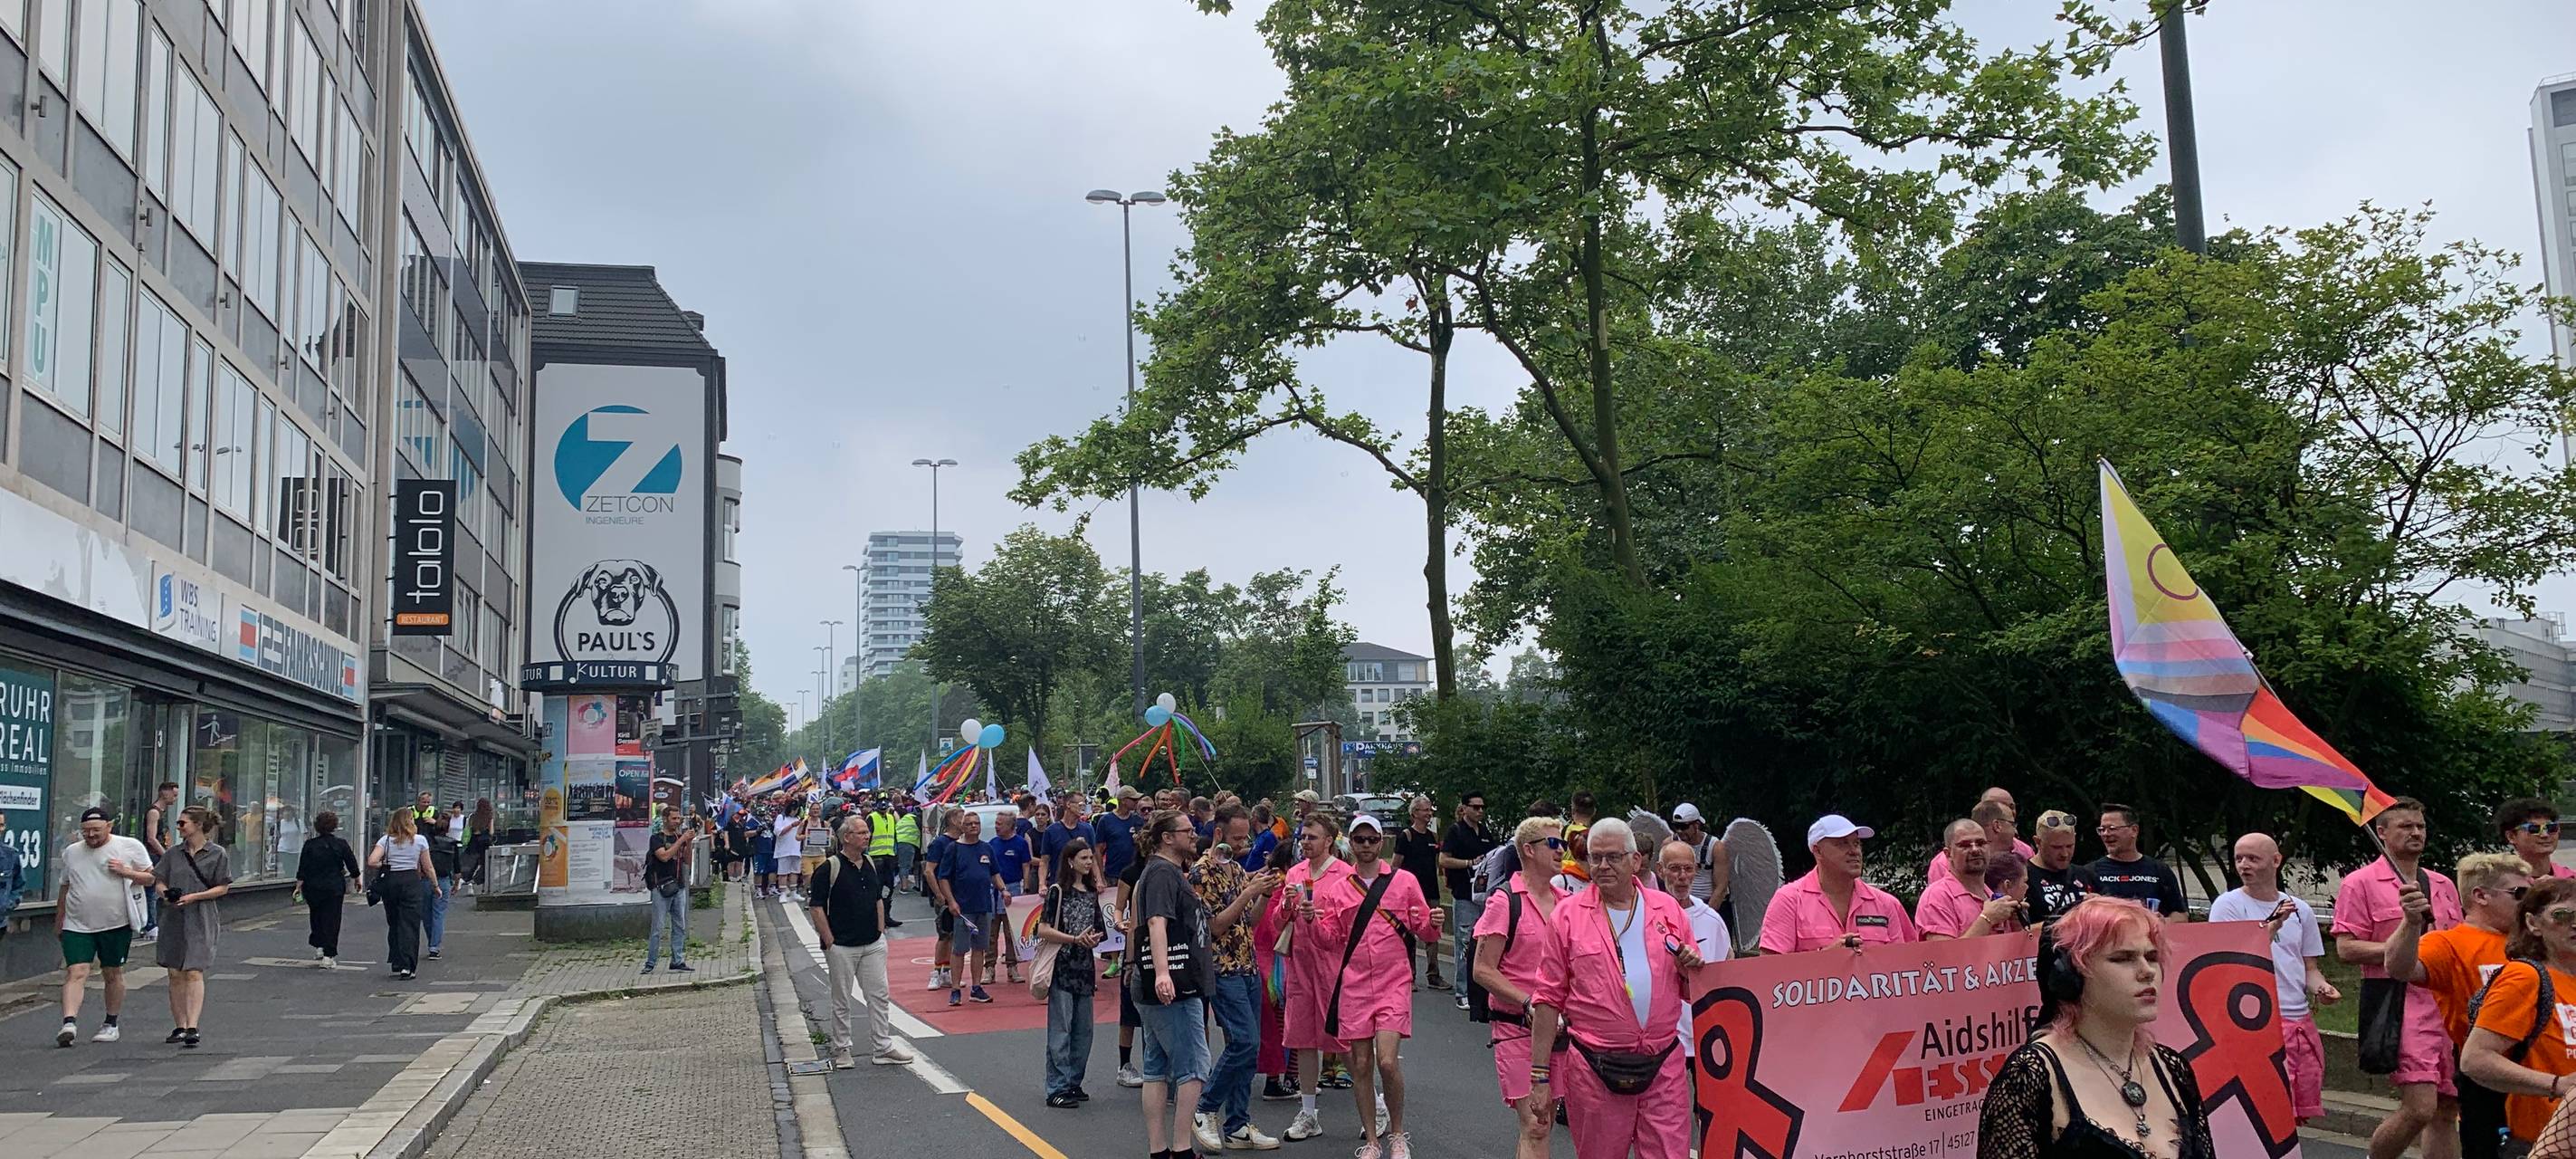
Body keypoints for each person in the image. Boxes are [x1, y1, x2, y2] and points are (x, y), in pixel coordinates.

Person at [1977, 896, 2216, 1157]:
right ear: (2072, 975)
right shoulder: (2031, 1076)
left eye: (2152, 956)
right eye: (2122, 958)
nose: (2147, 971)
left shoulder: (2172, 1067)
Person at [1524, 819, 1704, 1159]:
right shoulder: (1567, 916)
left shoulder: (1668, 909)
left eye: (1613, 857)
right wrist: (1540, 1077)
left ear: (1636, 861)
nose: (1602, 866)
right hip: (1595, 1067)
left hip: (1662, 1065)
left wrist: (1690, 971)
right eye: (1595, 857)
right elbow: (1547, 999)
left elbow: (1696, 992)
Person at [2333, 797, 2464, 1159]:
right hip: (2400, 1004)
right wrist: (2404, 950)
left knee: (2446, 1110)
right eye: (2406, 826)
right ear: (2382, 832)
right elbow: (2346, 949)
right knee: (2420, 1106)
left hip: (2448, 1006)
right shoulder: (2359, 883)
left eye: (2420, 826)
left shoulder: (2441, 883)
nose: (2416, 833)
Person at [1312, 812, 1441, 1159]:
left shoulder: (1404, 881)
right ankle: (1371, 1140)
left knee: (1387, 1061)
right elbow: (1330, 940)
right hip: (1354, 984)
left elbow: (1424, 930)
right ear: (1350, 844)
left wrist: (1432, 923)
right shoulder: (1339, 889)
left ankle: (1398, 1134)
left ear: (1381, 842)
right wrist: (1309, 920)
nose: (1366, 846)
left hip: (1393, 981)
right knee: (1361, 1064)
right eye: (1359, 840)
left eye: (1372, 840)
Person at [2387, 851, 2528, 1158]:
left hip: (2543, 1074)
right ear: (2481, 896)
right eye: (2520, 893)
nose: (2528, 902)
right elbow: (2400, 969)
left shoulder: (2534, 942)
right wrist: (2411, 924)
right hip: (2490, 1079)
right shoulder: (2448, 942)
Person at [2208, 832, 2340, 1129]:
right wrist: (2272, 925)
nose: (2244, 865)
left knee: (2293, 1115)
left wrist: (2322, 988)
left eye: (2253, 858)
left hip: (2297, 1019)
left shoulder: (2300, 910)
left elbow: (2309, 968)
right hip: (2254, 1020)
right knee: (2263, 1110)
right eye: (2239, 858)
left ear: (2276, 860)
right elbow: (2230, 961)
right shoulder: (2227, 905)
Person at [1190, 805, 1286, 1153]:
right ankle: (1204, 1109)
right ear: (1218, 834)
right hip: (1221, 968)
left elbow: (1250, 921)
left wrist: (1263, 892)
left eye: (1246, 837)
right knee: (1243, 1042)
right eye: (1235, 838)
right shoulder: (1201, 873)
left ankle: (1238, 1124)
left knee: (1248, 1048)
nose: (1243, 844)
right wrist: (1248, 892)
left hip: (1246, 965)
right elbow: (1215, 926)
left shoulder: (1234, 869)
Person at [2459, 876, 2576, 1154]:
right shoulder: (2525, 977)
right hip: (2542, 1144)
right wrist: (2560, 1085)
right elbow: (2475, 1059)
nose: (2575, 923)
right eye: (2562, 914)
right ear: (2534, 924)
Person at [1474, 818, 1568, 1159]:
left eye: (1564, 845)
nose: (1562, 852)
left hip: (1560, 1032)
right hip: (1516, 1027)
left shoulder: (1566, 902)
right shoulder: (1505, 901)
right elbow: (1482, 969)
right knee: (1535, 1123)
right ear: (1529, 850)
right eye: (1553, 844)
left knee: (1545, 1123)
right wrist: (1528, 1001)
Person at [1131, 810, 1216, 1159]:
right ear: (1168, 838)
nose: (1194, 835)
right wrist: (1164, 972)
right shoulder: (1164, 872)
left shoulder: (1159, 872)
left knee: (1156, 1065)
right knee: (1195, 1066)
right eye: (1187, 830)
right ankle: (1181, 1148)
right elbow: (1155, 922)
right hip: (1175, 983)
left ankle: (1159, 1149)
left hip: (1153, 982)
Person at [811, 814, 914, 1069]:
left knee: (879, 995)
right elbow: (816, 907)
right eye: (861, 833)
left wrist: (881, 929)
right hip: (842, 945)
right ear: (846, 837)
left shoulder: (869, 862)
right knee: (842, 999)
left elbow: (878, 898)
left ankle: (882, 1046)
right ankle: (842, 1048)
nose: (867, 836)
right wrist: (829, 939)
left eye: (866, 832)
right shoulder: (829, 868)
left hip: (872, 942)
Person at [1279, 811, 1356, 1142]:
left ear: (1329, 840)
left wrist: (1323, 918)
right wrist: (1286, 904)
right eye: (1302, 837)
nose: (1305, 842)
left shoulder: (1345, 875)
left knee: (1345, 1039)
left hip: (1333, 965)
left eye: (1312, 837)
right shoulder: (1294, 873)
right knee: (1303, 1038)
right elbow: (1278, 921)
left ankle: (1375, 1106)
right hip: (1300, 965)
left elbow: (1353, 925)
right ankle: (1308, 1113)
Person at [54, 807, 155, 1047]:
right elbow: (65, 885)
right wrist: (60, 919)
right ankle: (69, 1022)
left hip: (116, 922)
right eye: (86, 831)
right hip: (77, 922)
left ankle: (111, 1023)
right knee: (76, 971)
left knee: (112, 973)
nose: (90, 836)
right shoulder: (72, 852)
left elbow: (151, 878)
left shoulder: (129, 846)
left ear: (109, 826)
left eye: (96, 830)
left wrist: (125, 871)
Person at [1759, 814, 1919, 953]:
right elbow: (1770, 973)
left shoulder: (1887, 904)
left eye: (1856, 843)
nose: (1854, 851)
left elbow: (1906, 964)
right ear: (1818, 851)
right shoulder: (1789, 901)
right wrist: (1827, 959)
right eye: (1842, 843)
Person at [152, 805, 231, 1049]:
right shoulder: (173, 853)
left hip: (201, 914)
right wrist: (166, 894)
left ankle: (193, 1027)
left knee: (194, 969)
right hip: (173, 916)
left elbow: (223, 887)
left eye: (182, 823)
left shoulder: (217, 854)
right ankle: (180, 1025)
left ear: (198, 825)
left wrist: (196, 896)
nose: (179, 827)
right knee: (175, 971)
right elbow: (159, 879)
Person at [1038, 837, 1107, 1107]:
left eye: (1091, 858)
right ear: (1070, 861)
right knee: (1061, 1028)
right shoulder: (1058, 891)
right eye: (1084, 858)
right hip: (1063, 966)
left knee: (1083, 1030)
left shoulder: (1091, 893)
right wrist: (1074, 939)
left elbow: (1099, 928)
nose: (1089, 863)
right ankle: (1056, 1086)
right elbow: (1043, 929)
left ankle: (1074, 1082)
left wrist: (1092, 939)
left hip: (1085, 968)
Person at [936, 809, 1005, 1006]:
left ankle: (976, 987)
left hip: (983, 905)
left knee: (979, 948)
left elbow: (995, 873)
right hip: (962, 908)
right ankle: (955, 989)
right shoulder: (954, 849)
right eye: (969, 824)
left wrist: (1004, 890)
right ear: (962, 827)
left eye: (976, 823)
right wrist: (951, 901)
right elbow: (944, 878)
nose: (974, 826)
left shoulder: (987, 849)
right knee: (959, 949)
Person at [1437, 791, 1496, 1011]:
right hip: (1464, 894)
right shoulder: (1456, 831)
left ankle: (1481, 990)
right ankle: (1463, 991)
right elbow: (1444, 859)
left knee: (1484, 944)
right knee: (1464, 943)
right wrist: (1469, 863)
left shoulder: (1484, 831)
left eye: (1482, 807)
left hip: (1485, 895)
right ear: (1465, 808)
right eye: (1475, 807)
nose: (1480, 811)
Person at [1917, 818, 2024, 939]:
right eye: (1965, 845)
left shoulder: (1991, 896)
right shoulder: (1937, 897)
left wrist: (2017, 925)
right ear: (1948, 854)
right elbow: (1943, 956)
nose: (1975, 850)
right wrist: (1987, 919)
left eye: (1981, 843)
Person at [2085, 804, 2187, 917]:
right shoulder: (2090, 872)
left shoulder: (2159, 870)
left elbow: (2181, 915)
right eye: (2102, 829)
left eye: (2112, 828)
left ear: (2134, 830)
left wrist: (2162, 923)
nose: (2106, 834)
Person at [370, 808, 436, 981]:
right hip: (411, 881)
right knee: (410, 924)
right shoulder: (420, 840)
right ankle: (408, 966)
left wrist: (385, 865)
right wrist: (435, 885)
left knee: (395, 922)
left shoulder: (385, 841)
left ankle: (397, 960)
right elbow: (428, 867)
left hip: (391, 882)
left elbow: (372, 861)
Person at [1391, 794, 1447, 990]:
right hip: (1411, 893)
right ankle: (1410, 975)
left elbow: (1436, 864)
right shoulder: (1406, 836)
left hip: (1431, 890)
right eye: (1425, 810)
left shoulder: (1432, 837)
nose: (1429, 813)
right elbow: (1396, 864)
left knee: (1434, 932)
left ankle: (1434, 974)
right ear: (1414, 813)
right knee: (1408, 934)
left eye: (1430, 809)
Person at [294, 810, 360, 969]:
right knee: (332, 919)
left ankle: (319, 945)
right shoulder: (341, 844)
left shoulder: (310, 845)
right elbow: (351, 863)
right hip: (334, 886)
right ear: (335, 826)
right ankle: (329, 955)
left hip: (313, 886)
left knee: (316, 915)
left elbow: (303, 867)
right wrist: (356, 878)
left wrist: (298, 885)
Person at [1926, 799, 2032, 887]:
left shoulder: (2023, 850)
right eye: (2012, 824)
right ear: (1997, 826)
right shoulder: (1941, 864)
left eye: (1981, 843)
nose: (1975, 850)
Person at [644, 808, 698, 974]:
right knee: (658, 927)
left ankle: (678, 960)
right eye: (674, 818)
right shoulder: (656, 838)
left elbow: (687, 860)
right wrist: (682, 839)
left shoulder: (678, 837)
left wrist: (688, 843)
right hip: (661, 886)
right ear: (665, 819)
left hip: (678, 886)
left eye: (678, 818)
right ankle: (650, 962)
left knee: (680, 925)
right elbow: (665, 856)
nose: (677, 821)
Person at [2025, 810, 2094, 924]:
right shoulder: (2024, 878)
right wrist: (2069, 921)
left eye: (2069, 846)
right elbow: (2021, 933)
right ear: (2038, 842)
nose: (2065, 854)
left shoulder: (2084, 873)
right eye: (2056, 847)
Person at [988, 812, 1034, 984]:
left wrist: (1026, 888)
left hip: (1014, 887)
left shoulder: (1020, 843)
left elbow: (1026, 866)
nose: (996, 826)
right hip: (994, 889)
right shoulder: (992, 844)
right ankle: (989, 967)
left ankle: (1012, 966)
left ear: (1010, 826)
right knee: (991, 932)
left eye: (1000, 823)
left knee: (1011, 932)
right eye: (996, 822)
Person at [2496, 797, 2575, 881]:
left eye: (2551, 827)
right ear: (2511, 836)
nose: (2545, 835)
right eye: (2534, 829)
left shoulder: (2571, 880)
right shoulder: (2501, 885)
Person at [1667, 803, 1729, 906]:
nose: (1679, 831)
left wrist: (1706, 913)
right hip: (1679, 903)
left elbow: (1721, 887)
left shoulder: (1715, 847)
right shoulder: (1669, 844)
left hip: (1708, 903)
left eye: (1684, 827)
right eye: (1676, 826)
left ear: (1696, 825)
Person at [422, 806, 460, 960]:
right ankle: (434, 946)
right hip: (444, 880)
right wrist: (456, 883)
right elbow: (457, 867)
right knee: (439, 913)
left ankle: (432, 940)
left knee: (426, 914)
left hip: (425, 880)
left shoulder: (426, 842)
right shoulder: (452, 844)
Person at [140, 781, 177, 937]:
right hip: (153, 855)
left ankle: (150, 923)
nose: (175, 799)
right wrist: (165, 855)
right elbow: (151, 838)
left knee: (154, 890)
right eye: (174, 795)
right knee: (152, 890)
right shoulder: (154, 812)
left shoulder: (160, 812)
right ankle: (150, 925)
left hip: (158, 854)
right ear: (164, 793)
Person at [1039, 797, 1096, 892]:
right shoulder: (1051, 831)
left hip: (1084, 885)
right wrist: (1041, 884)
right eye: (1080, 804)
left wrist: (1098, 880)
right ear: (1069, 804)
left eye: (1084, 805)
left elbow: (1093, 858)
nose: (1083, 808)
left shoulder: (1088, 829)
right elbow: (1044, 861)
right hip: (1060, 884)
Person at [1097, 785, 1146, 883]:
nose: (1137, 802)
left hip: (1136, 874)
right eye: (1133, 799)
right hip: (1113, 874)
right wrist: (1101, 877)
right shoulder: (1106, 821)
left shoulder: (1138, 820)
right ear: (1123, 801)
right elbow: (1098, 850)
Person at [772, 801, 807, 900]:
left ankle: (793, 892)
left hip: (796, 849)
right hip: (783, 850)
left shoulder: (797, 819)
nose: (794, 811)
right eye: (793, 809)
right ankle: (783, 893)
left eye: (796, 810)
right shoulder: (781, 818)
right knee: (783, 872)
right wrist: (792, 825)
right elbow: (779, 832)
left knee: (795, 872)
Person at [463, 800, 496, 895]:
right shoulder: (489, 817)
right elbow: (491, 832)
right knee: (485, 864)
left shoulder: (473, 817)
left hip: (473, 842)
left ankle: (469, 881)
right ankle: (481, 884)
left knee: (473, 863)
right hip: (484, 843)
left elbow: (469, 829)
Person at [751, 804, 778, 897]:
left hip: (771, 849)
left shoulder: (770, 820)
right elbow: (746, 834)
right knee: (759, 870)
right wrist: (757, 831)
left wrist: (772, 824)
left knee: (773, 869)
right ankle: (758, 890)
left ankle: (772, 888)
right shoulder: (753, 821)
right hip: (760, 849)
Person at [894, 805, 923, 891]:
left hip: (903, 843)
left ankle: (907, 886)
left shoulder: (904, 820)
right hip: (910, 843)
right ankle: (904, 887)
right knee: (905, 865)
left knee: (905, 865)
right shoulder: (914, 818)